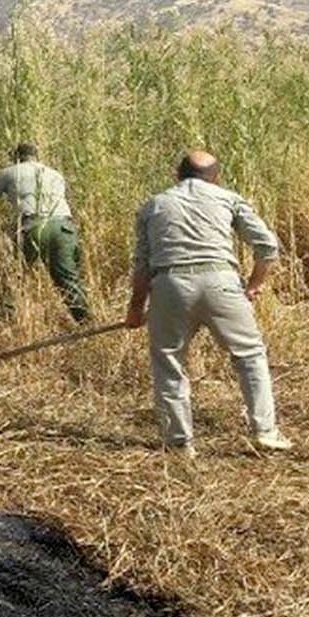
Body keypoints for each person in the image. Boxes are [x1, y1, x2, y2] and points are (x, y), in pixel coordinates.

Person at [124, 150, 293, 455]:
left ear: (177, 174)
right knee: (250, 355)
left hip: (170, 284)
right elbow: (267, 246)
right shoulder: (227, 198)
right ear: (216, 177)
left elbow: (142, 266)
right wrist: (254, 285)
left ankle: (179, 443)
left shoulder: (154, 205)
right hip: (222, 282)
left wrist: (136, 308)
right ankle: (265, 431)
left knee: (169, 361)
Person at [0, 143, 90, 322]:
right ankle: (86, 321)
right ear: (36, 157)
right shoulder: (56, 175)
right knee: (67, 278)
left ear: (16, 157)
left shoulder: (9, 172)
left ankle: (4, 316)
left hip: (31, 228)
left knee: (13, 273)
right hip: (63, 228)